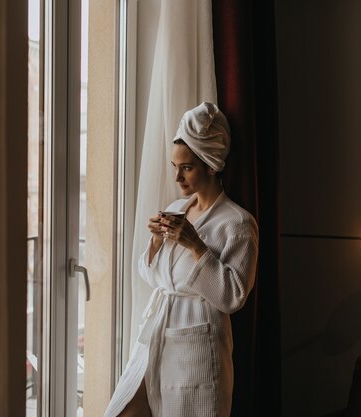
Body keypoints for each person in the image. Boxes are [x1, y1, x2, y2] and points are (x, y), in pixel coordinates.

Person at [103, 102, 259, 417]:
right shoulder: (177, 208)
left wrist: (195, 244)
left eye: (186, 168)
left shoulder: (238, 224)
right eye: (175, 166)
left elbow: (232, 297)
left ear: (211, 165)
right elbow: (152, 276)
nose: (177, 177)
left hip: (197, 348)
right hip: (157, 334)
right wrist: (157, 241)